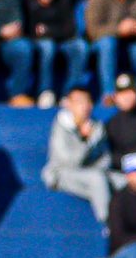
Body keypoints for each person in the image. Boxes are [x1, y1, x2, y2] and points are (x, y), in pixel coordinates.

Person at [42, 85, 112, 224]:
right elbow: (70, 162)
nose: (84, 106)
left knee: (121, 181)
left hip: (90, 172)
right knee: (97, 180)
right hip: (61, 174)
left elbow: (106, 158)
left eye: (87, 101)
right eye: (79, 102)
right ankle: (109, 222)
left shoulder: (97, 127)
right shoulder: (61, 126)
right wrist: (86, 141)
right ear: (68, 104)